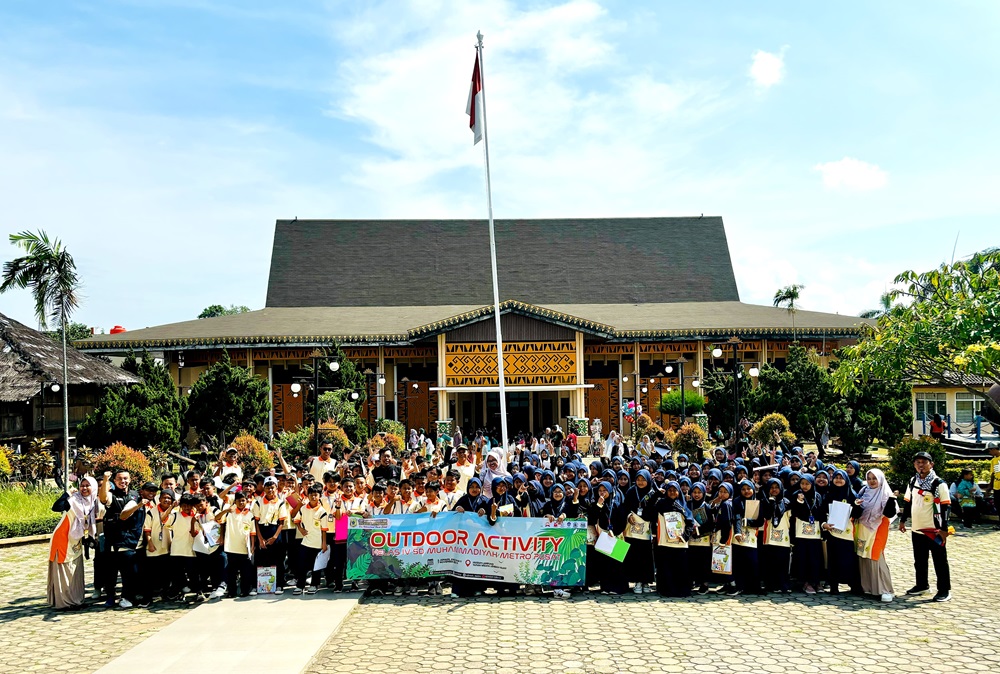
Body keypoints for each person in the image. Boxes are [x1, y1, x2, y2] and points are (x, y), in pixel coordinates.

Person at [899, 452, 952, 602]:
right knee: (919, 560)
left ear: (931, 464)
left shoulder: (939, 483)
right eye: (917, 462)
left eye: (924, 462)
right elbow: (908, 502)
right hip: (917, 528)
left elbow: (946, 506)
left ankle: (944, 590)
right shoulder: (912, 481)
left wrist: (944, 529)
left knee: (939, 560)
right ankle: (922, 585)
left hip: (934, 530)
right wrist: (903, 521)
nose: (920, 465)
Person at [48, 476, 99, 609]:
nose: (84, 488)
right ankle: (65, 602)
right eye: (82, 485)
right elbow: (56, 507)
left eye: (88, 485)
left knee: (75, 571)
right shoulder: (73, 500)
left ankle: (76, 600)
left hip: (76, 539)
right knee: (65, 570)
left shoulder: (92, 502)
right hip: (63, 538)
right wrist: (67, 494)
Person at [856, 469, 897, 602]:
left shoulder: (885, 494)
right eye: (869, 478)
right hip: (862, 528)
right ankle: (868, 587)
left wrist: (892, 500)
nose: (872, 481)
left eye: (875, 478)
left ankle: (885, 589)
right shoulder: (864, 492)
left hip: (878, 528)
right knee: (863, 555)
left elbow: (890, 513)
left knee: (876, 557)